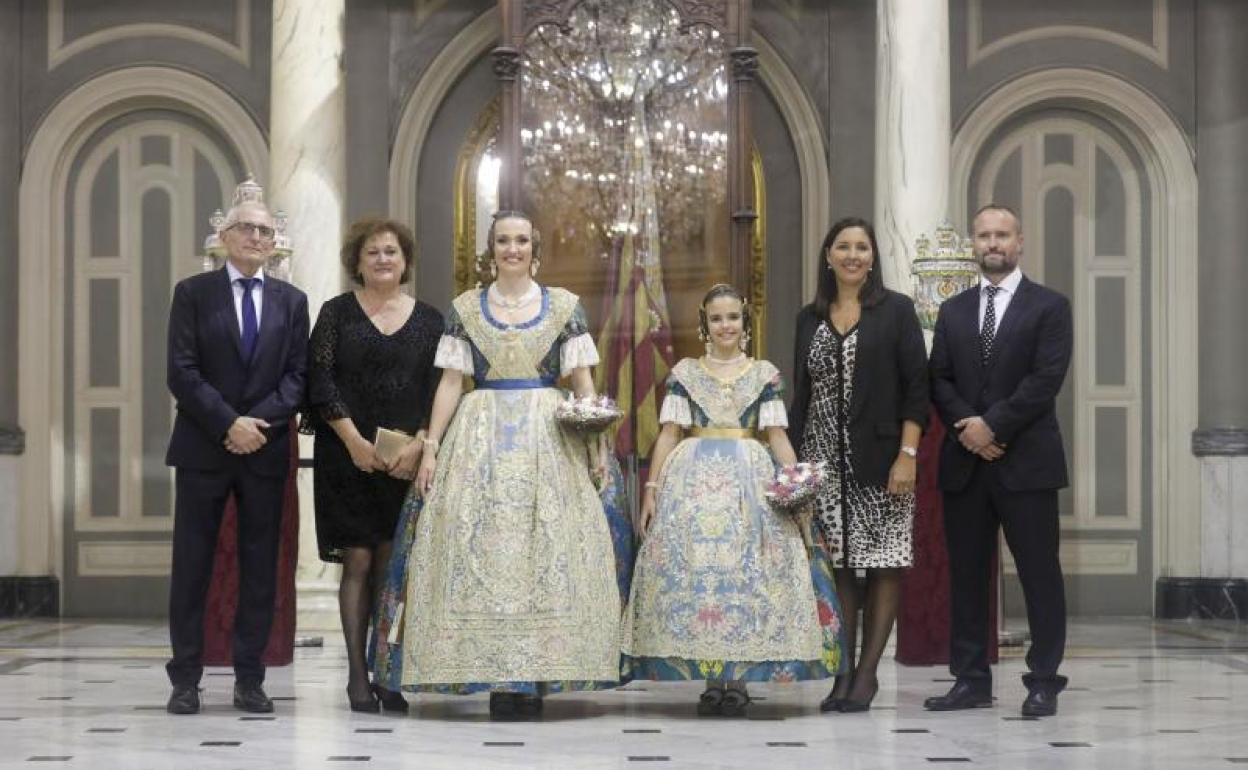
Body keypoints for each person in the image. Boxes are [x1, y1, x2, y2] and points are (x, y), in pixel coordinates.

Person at [375, 210, 621, 719]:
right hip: (479, 435)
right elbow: (449, 383)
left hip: (549, 435)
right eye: (504, 241)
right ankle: (492, 674)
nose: (513, 249)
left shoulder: (564, 307)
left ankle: (532, 677)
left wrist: (596, 442)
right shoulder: (466, 308)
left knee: (542, 551)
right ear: (492, 249)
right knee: (481, 548)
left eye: (522, 241)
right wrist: (433, 446)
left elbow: (581, 380)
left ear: (536, 248)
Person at [624, 284, 844, 717]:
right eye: (717, 318)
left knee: (745, 574)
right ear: (706, 325)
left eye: (734, 318)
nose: (726, 325)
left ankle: (739, 680)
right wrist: (651, 489)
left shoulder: (764, 374)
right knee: (702, 574)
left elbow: (777, 437)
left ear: (746, 323)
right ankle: (710, 680)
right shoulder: (685, 374)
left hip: (749, 480)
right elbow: (669, 433)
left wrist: (795, 483)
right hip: (692, 479)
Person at [925, 204, 1072, 718]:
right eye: (985, 235)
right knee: (966, 576)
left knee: (1039, 574)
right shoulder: (954, 309)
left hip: (1026, 463)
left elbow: (1045, 379)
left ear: (1020, 242)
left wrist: (994, 425)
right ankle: (970, 680)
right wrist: (970, 427)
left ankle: (1044, 681)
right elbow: (938, 378)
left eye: (1002, 235)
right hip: (967, 464)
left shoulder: (1050, 307)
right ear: (973, 243)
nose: (993, 243)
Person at [164, 200, 309, 715]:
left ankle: (251, 679)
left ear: (275, 243)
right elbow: (181, 371)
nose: (255, 236)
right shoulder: (193, 294)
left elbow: (297, 378)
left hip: (263, 451)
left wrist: (255, 426)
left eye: (265, 230)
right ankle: (185, 679)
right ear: (225, 236)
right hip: (204, 446)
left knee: (259, 569)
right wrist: (229, 423)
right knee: (192, 566)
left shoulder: (292, 301)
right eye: (245, 227)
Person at [789, 217, 929, 713]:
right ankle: (842, 673)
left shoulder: (897, 311)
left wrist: (908, 455)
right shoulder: (810, 317)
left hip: (884, 462)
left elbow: (918, 388)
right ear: (828, 255)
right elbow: (800, 396)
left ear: (873, 257)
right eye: (843, 246)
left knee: (884, 566)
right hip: (823, 464)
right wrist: (796, 469)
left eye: (862, 247)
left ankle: (867, 675)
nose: (853, 255)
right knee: (840, 571)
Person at [304, 219, 442, 713]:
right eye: (372, 253)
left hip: (404, 463)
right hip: (346, 457)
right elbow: (319, 381)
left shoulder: (430, 320)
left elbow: (441, 390)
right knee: (358, 562)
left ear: (405, 261)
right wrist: (354, 441)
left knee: (391, 567)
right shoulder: (336, 313)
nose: (383, 259)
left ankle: (388, 672)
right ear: (357, 263)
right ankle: (358, 677)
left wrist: (421, 443)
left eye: (391, 252)